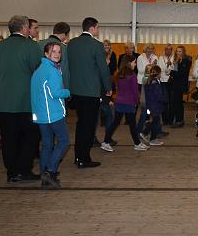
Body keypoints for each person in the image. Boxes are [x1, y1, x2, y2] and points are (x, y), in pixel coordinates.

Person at [0, 15, 42, 182]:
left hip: (4, 101)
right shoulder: (31, 46)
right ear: (24, 28)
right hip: (26, 101)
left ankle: (11, 172)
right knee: (30, 137)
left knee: (9, 138)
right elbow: (38, 72)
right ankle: (24, 170)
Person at [67, 17, 111, 168]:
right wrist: (108, 87)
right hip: (91, 91)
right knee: (89, 126)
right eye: (97, 27)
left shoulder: (72, 43)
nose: (98, 30)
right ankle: (83, 158)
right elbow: (103, 69)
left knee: (80, 124)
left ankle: (78, 156)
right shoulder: (96, 45)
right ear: (92, 28)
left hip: (75, 91)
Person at [30, 42, 70, 189]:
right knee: (64, 141)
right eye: (53, 51)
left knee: (47, 145)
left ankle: (44, 175)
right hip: (53, 114)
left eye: (59, 51)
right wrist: (68, 92)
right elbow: (56, 93)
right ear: (46, 54)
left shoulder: (39, 70)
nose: (57, 54)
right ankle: (50, 170)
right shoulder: (52, 70)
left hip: (41, 114)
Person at [100, 56, 148, 152]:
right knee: (132, 124)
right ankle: (137, 144)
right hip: (129, 103)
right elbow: (135, 91)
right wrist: (136, 102)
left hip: (119, 102)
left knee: (115, 123)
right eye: (134, 62)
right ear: (129, 63)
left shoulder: (119, 75)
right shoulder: (132, 75)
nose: (135, 64)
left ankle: (106, 142)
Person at [37, 22, 71, 89]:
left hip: (39, 82)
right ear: (64, 34)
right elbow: (64, 70)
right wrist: (66, 88)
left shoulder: (38, 44)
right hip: (55, 84)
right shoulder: (63, 48)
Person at [169, 45, 191, 127]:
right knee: (176, 103)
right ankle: (178, 120)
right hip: (175, 85)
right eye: (177, 51)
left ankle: (179, 120)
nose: (178, 53)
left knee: (178, 103)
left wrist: (171, 72)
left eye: (180, 51)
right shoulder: (177, 60)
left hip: (180, 85)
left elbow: (182, 73)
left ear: (183, 52)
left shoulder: (186, 61)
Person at [144, 65, 165, 146]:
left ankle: (146, 133)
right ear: (158, 73)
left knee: (155, 121)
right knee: (156, 122)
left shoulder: (149, 81)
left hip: (150, 105)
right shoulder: (155, 83)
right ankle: (152, 138)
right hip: (155, 106)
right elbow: (158, 96)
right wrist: (164, 99)